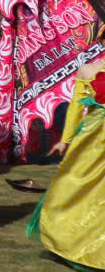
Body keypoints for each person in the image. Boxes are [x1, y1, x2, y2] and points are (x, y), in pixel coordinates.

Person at [27, 56, 105, 271]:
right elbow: (75, 109)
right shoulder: (88, 70)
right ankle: (68, 241)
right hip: (93, 139)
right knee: (74, 186)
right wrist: (66, 140)